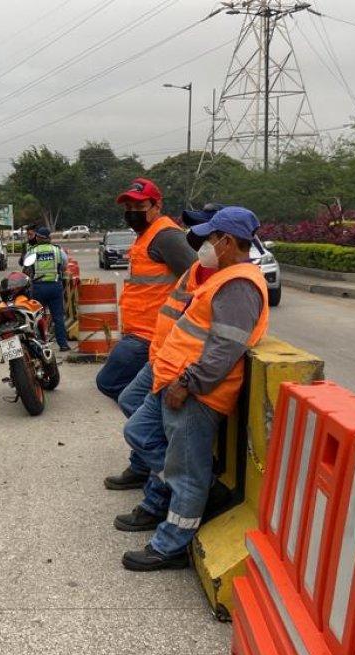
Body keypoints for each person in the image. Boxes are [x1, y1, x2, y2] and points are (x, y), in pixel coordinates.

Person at [117, 207, 270, 571]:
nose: (204, 244)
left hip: (195, 393)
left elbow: (224, 349)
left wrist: (188, 383)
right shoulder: (224, 276)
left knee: (187, 474)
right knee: (138, 432)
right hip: (171, 380)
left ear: (227, 241)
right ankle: (205, 488)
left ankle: (169, 546)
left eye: (210, 238)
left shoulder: (239, 285)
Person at [103, 205, 220, 491]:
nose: (193, 236)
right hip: (161, 349)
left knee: (131, 405)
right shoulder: (147, 238)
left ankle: (178, 484)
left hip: (171, 352)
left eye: (203, 231)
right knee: (134, 407)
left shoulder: (168, 239)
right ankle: (152, 468)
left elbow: (209, 317)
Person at [95, 178, 195, 401]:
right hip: (140, 332)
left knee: (108, 382)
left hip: (150, 335)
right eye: (128, 208)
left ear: (157, 206)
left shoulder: (166, 236)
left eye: (139, 207)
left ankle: (155, 421)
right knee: (132, 391)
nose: (132, 212)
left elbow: (197, 279)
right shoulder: (146, 236)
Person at [25, 226, 71, 351]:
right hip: (55, 286)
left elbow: (26, 267)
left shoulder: (32, 251)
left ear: (38, 237)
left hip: (38, 287)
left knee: (37, 316)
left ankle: (39, 344)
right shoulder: (57, 250)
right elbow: (65, 265)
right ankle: (63, 345)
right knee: (58, 317)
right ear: (49, 238)